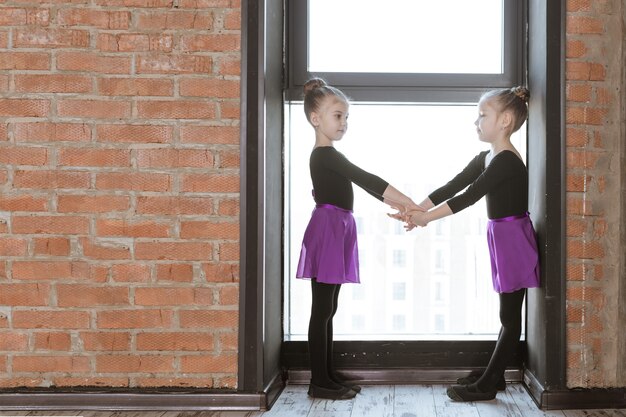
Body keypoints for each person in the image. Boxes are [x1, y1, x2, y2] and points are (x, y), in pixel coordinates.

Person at [391, 86, 540, 402]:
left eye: (483, 115)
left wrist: (427, 219)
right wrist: (417, 208)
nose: (476, 121)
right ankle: (494, 375)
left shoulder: (507, 161)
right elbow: (454, 184)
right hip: (501, 236)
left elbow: (470, 195)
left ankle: (488, 383)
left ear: (506, 120)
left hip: (512, 238)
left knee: (510, 317)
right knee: (507, 314)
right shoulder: (487, 157)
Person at [296, 78, 421, 400]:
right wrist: (409, 202)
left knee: (329, 306)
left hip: (336, 226)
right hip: (328, 227)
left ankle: (326, 375)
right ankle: (319, 382)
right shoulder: (325, 154)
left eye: (346, 117)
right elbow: (368, 181)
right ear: (315, 119)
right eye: (338, 116)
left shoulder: (329, 154)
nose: (344, 123)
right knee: (322, 307)